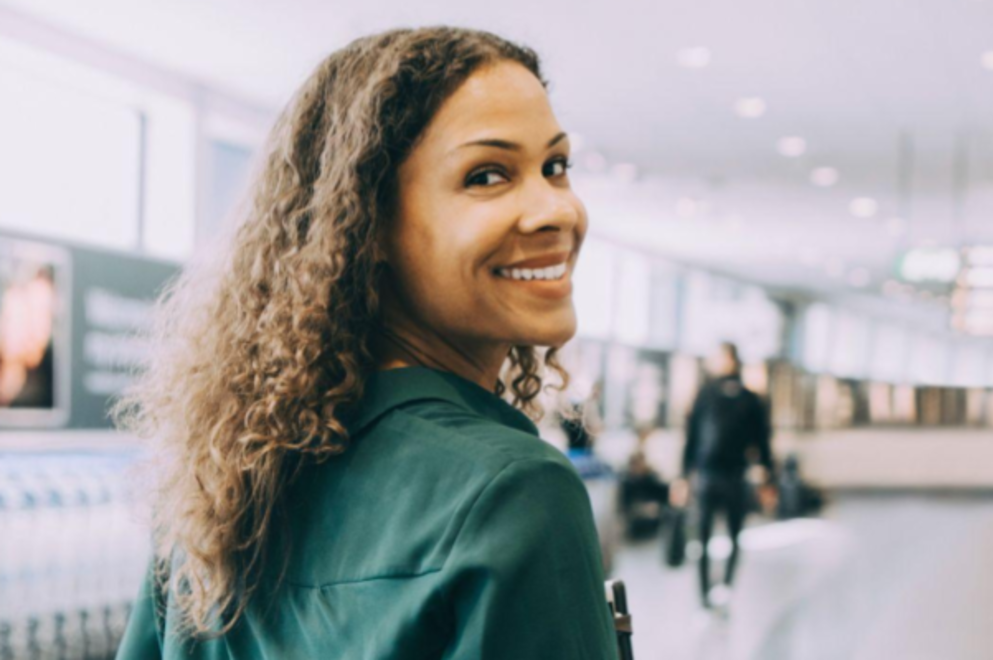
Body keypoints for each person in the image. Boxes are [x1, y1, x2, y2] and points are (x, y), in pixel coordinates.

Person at [113, 27, 618, 659]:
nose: (556, 210)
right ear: (367, 224)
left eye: (556, 166)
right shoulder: (513, 493)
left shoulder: (220, 480)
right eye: (487, 176)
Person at [672, 342, 776, 609]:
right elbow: (692, 438)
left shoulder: (749, 399)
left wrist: (767, 479)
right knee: (703, 537)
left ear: (731, 359)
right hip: (707, 476)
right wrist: (683, 477)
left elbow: (762, 441)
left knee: (734, 535)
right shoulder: (705, 395)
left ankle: (726, 585)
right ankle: (704, 592)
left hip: (736, 477)